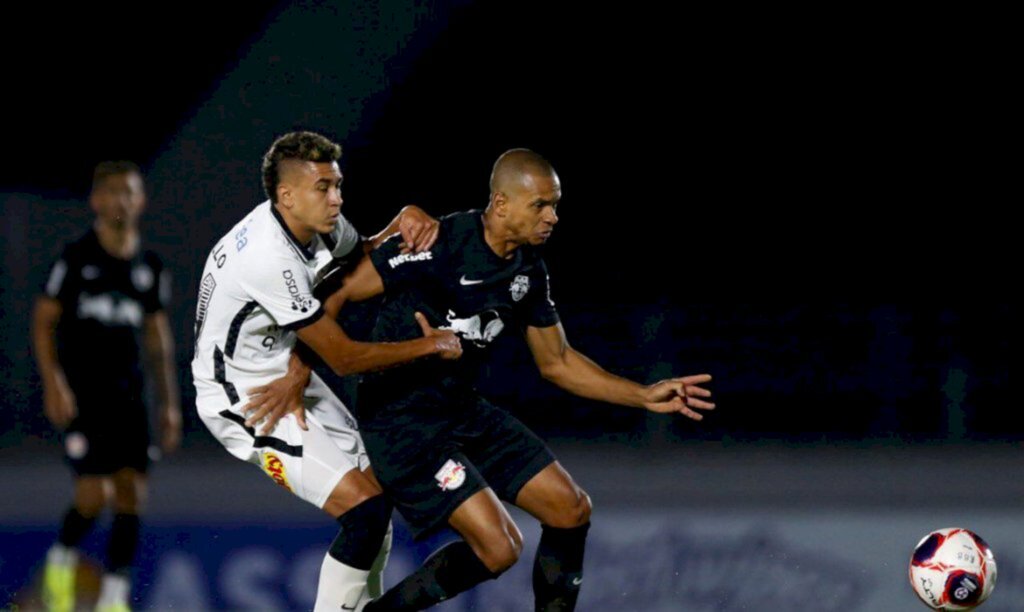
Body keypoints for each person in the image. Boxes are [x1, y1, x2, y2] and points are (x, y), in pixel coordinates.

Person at [318, 148, 714, 611]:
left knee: (570, 508)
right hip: (403, 422)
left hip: (460, 408)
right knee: (500, 548)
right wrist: (303, 366)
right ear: (502, 204)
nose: (553, 217)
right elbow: (335, 294)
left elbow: (558, 361)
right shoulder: (436, 244)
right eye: (541, 205)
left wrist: (642, 395)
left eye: (556, 205)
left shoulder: (527, 269)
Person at [191, 131, 462, 612]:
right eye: (323, 187)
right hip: (243, 397)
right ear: (286, 195)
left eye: (338, 185)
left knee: (377, 497)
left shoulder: (318, 224)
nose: (337, 199)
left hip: (284, 370)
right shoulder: (267, 257)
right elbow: (344, 357)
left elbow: (357, 261)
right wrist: (430, 344)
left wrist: (399, 223)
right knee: (364, 512)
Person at [34, 161, 182, 612]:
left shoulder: (150, 267)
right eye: (112, 192)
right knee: (93, 495)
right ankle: (61, 558)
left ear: (141, 201)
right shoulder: (76, 258)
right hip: (83, 392)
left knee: (132, 492)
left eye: (129, 192)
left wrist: (170, 405)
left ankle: (114, 596)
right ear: (96, 201)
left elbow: (158, 338)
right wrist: (54, 382)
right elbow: (44, 323)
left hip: (130, 395)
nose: (121, 200)